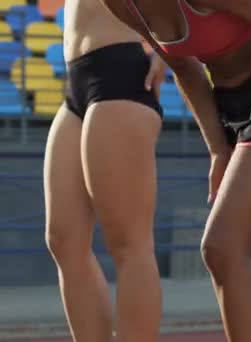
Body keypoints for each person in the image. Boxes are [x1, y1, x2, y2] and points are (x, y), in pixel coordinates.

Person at [96, 0, 251, 341]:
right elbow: (185, 69)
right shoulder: (122, 5)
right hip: (230, 109)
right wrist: (218, 150)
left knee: (222, 248)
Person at [43, 0, 166, 340]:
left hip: (120, 74)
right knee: (64, 239)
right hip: (77, 81)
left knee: (130, 244)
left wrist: (173, 47)